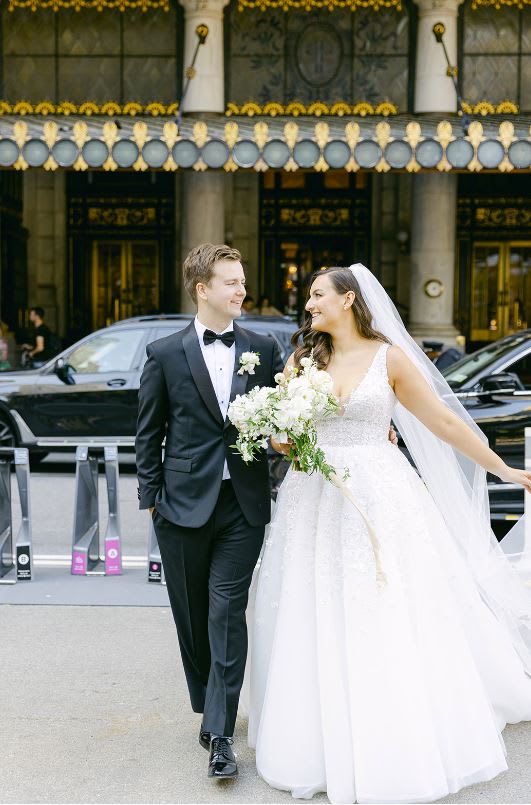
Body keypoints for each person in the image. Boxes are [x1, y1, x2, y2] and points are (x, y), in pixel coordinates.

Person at [244, 264, 531, 804]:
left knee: (385, 602)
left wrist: (501, 468)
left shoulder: (389, 358)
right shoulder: (303, 360)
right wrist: (282, 435)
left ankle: (394, 731)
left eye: (318, 295)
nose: (309, 304)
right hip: (315, 495)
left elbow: (443, 422)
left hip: (381, 495)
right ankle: (315, 733)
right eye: (309, 296)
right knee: (312, 602)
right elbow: (285, 439)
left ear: (348, 299)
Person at [135, 244, 284, 780]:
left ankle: (220, 733)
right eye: (231, 282)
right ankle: (209, 702)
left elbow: (286, 417)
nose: (242, 290)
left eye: (242, 281)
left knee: (225, 611)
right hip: (180, 505)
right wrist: (152, 500)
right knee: (192, 615)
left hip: (243, 504)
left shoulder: (264, 347)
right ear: (203, 289)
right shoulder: (164, 353)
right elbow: (148, 432)